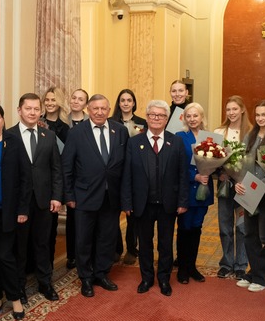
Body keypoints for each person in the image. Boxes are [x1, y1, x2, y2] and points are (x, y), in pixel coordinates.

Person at [62, 94, 128, 297]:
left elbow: (125, 167)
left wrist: (125, 198)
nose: (99, 112)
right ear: (88, 110)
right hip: (84, 196)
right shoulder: (76, 133)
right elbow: (67, 166)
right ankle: (86, 278)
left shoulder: (120, 131)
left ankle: (101, 273)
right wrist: (69, 195)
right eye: (95, 109)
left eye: (103, 109)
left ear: (109, 110)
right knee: (84, 239)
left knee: (107, 238)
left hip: (112, 197)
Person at [121, 100, 189, 297]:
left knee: (166, 244)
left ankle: (164, 279)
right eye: (152, 115)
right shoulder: (135, 142)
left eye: (160, 115)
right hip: (142, 204)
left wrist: (182, 201)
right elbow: (127, 175)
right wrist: (126, 202)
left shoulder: (175, 141)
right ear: (147, 117)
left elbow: (182, 174)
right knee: (145, 244)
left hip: (168, 203)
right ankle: (147, 278)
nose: (156, 119)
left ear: (167, 119)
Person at [9, 93, 64, 303]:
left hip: (44, 200)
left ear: (40, 111)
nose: (32, 112)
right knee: (20, 247)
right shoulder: (9, 136)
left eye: (35, 109)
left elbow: (56, 169)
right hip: (19, 203)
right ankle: (19, 288)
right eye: (28, 108)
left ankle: (45, 283)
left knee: (43, 244)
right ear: (19, 110)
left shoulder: (48, 136)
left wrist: (57, 196)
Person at [0, 103, 31, 321]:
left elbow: (25, 178)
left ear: (3, 119)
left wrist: (22, 208)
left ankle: (15, 297)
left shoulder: (13, 142)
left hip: (9, 211)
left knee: (5, 256)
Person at [235, 100, 265, 292]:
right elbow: (240, 161)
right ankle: (254, 271)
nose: (260, 118)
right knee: (249, 233)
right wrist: (238, 181)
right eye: (257, 115)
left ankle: (263, 276)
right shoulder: (250, 135)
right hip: (249, 190)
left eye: (264, 115)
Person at [174, 103, 214, 284]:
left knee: (197, 228)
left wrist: (209, 172)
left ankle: (192, 266)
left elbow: (216, 161)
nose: (192, 119)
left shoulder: (210, 137)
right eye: (188, 116)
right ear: (184, 118)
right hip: (186, 190)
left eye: (195, 116)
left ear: (201, 117)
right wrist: (195, 176)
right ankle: (182, 268)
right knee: (184, 228)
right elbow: (177, 165)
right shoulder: (179, 137)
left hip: (204, 189)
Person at [214, 95, 252, 279]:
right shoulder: (219, 132)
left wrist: (242, 179)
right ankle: (226, 262)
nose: (231, 113)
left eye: (235, 109)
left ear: (242, 109)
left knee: (243, 226)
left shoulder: (251, 133)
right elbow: (210, 157)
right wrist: (219, 173)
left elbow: (254, 162)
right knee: (225, 226)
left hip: (244, 187)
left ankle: (241, 265)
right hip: (225, 185)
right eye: (228, 110)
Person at [110, 89, 147, 266]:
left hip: (134, 173)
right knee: (113, 213)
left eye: (129, 100)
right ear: (119, 103)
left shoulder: (142, 123)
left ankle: (132, 249)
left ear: (134, 103)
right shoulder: (110, 123)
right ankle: (116, 248)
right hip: (115, 173)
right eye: (122, 100)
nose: (125, 103)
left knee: (133, 214)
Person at [40, 87, 69, 264]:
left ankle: (48, 263)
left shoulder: (65, 128)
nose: (50, 103)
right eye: (47, 100)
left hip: (54, 181)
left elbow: (65, 157)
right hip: (36, 177)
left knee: (50, 228)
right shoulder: (36, 121)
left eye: (53, 100)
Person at [64, 88, 89, 269]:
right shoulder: (62, 122)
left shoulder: (91, 122)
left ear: (85, 104)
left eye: (80, 99)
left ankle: (87, 254)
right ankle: (72, 255)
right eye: (74, 98)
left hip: (86, 177)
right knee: (72, 219)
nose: (76, 101)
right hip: (69, 175)